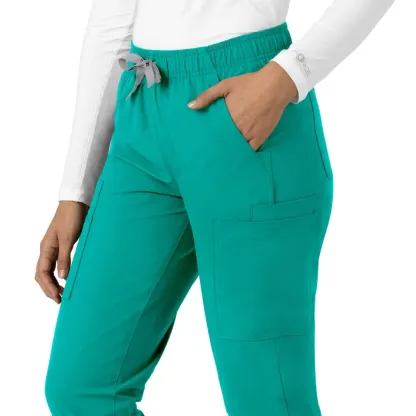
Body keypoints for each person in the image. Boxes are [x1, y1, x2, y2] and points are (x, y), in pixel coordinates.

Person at [37, 0, 395, 414]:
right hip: (139, 118)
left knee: (266, 402)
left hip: (245, 107)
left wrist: (290, 74)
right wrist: (76, 189)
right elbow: (112, 19)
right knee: (81, 388)